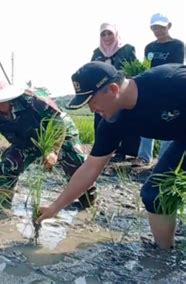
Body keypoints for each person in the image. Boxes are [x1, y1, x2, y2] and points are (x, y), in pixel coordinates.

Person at [37, 61, 186, 249]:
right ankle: (164, 254)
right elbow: (90, 168)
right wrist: (55, 207)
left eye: (92, 101)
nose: (91, 109)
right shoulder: (113, 122)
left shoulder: (170, 81)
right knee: (155, 193)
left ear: (113, 89)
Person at [0, 71, 96, 208]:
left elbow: (57, 123)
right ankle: (3, 205)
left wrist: (53, 151)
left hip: (58, 132)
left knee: (75, 164)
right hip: (25, 141)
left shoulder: (32, 99)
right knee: (7, 166)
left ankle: (88, 203)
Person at [135, 13, 185, 167]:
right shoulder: (150, 47)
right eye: (155, 27)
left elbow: (176, 67)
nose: (158, 30)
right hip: (151, 89)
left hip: (170, 89)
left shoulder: (177, 45)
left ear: (168, 26)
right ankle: (144, 157)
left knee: (168, 121)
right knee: (146, 120)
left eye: (161, 27)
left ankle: (164, 159)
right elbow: (147, 67)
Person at [91, 22, 139, 162]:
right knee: (101, 122)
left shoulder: (127, 50)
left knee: (123, 120)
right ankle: (101, 151)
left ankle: (124, 152)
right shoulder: (97, 53)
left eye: (109, 33)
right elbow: (92, 71)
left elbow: (132, 70)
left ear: (115, 34)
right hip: (102, 95)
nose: (106, 36)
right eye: (103, 34)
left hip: (120, 93)